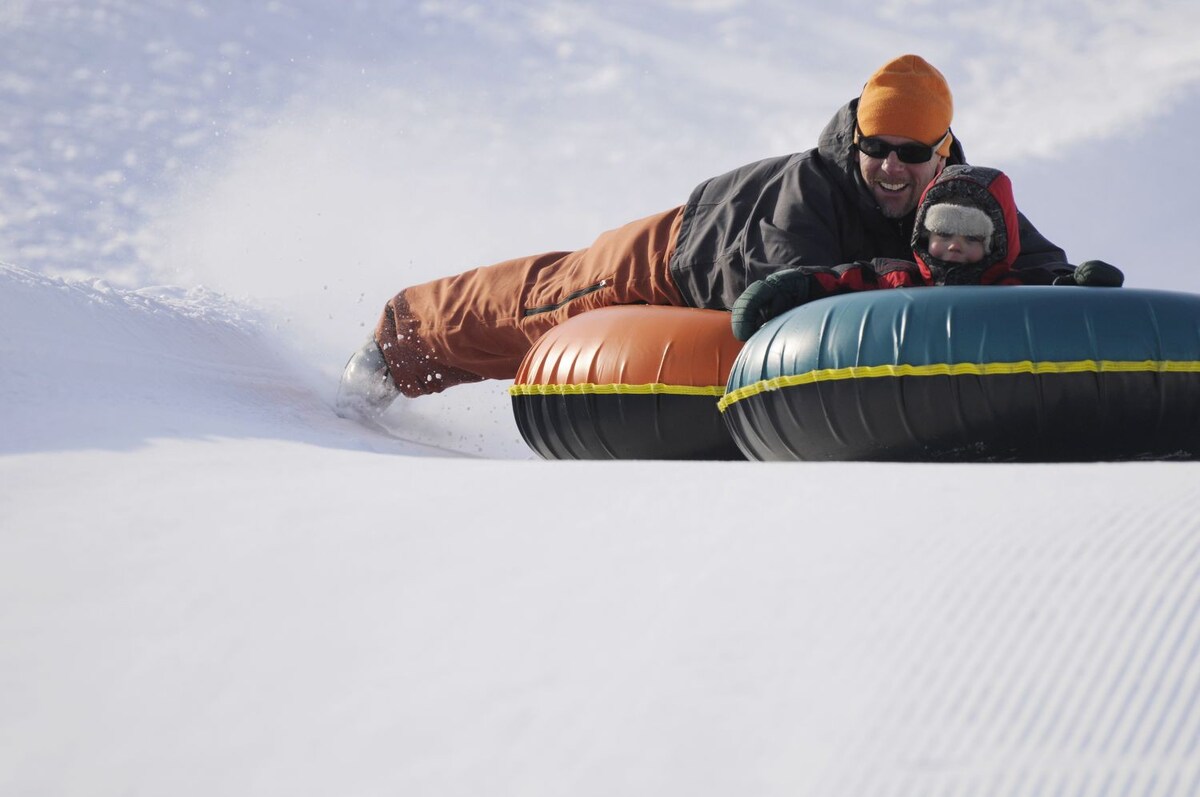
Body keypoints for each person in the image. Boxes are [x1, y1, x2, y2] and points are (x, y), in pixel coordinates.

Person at [336, 54, 1076, 417]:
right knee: (545, 305)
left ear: (943, 153)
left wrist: (1069, 285)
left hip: (727, 275)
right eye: (877, 146)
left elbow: (1024, 254)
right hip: (678, 256)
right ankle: (400, 339)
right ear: (856, 138)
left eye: (912, 154)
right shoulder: (808, 192)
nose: (890, 167)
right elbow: (802, 292)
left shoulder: (957, 201)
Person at [729, 164, 1124, 340]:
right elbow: (838, 280)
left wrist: (1078, 282)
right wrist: (786, 286)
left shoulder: (1010, 289)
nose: (955, 245)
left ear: (996, 247)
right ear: (923, 234)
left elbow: (1049, 282)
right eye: (944, 233)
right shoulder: (900, 280)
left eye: (973, 239)